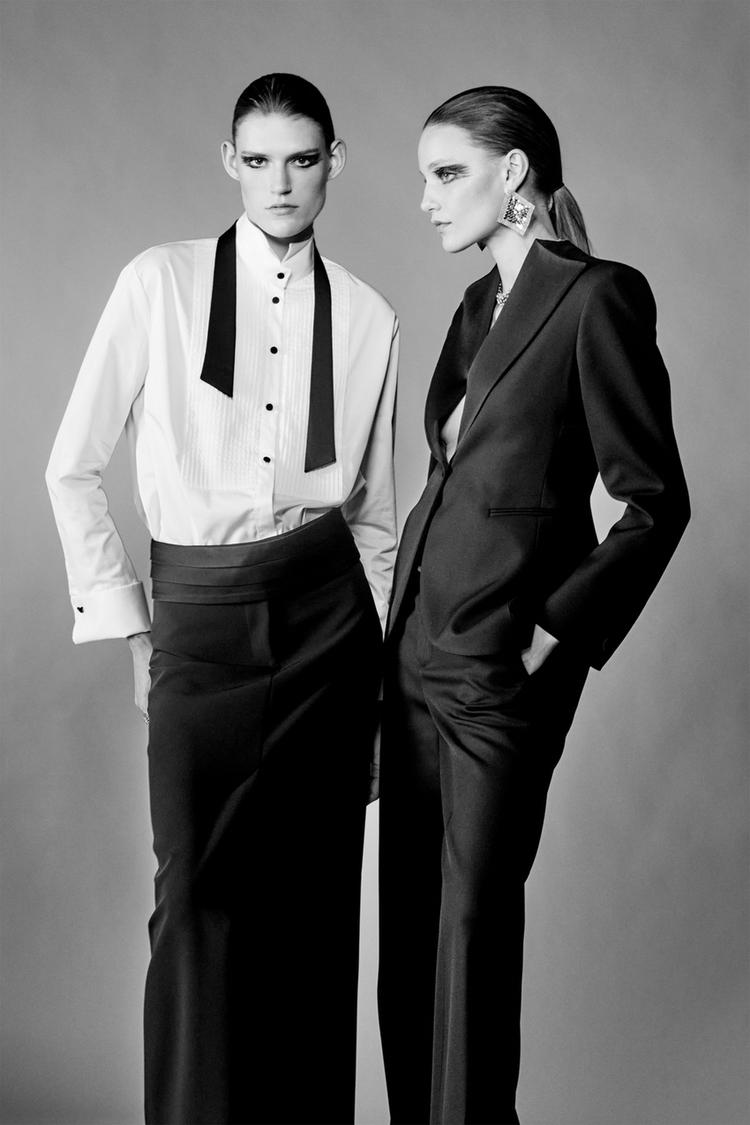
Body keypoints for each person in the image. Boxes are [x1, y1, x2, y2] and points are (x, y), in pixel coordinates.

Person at [46, 73, 399, 1125]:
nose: (280, 182)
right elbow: (71, 467)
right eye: (258, 160)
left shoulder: (371, 316)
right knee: (195, 906)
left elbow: (376, 520)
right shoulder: (159, 283)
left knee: (314, 915)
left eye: (303, 159)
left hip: (330, 622)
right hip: (198, 615)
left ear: (336, 162)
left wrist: (380, 682)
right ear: (228, 163)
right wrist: (134, 634)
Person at [377, 85, 690, 1125]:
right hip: (414, 656)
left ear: (512, 172)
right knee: (409, 939)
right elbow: (453, 484)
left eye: (447, 173)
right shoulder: (476, 307)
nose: (427, 199)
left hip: (500, 662)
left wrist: (553, 631)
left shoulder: (599, 296)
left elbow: (654, 500)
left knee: (471, 933)